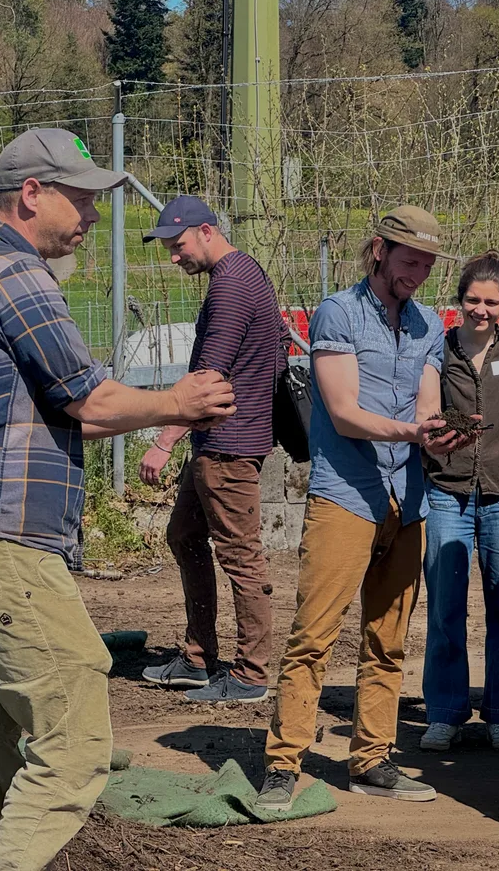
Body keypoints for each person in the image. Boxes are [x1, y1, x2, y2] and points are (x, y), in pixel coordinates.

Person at [0, 128, 236, 871]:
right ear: (32, 194)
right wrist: (179, 402)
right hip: (2, 543)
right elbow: (89, 403)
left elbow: (47, 414)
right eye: (83, 198)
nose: (94, 215)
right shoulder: (15, 276)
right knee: (78, 742)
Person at [255, 206, 472, 812]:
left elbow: (427, 406)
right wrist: (413, 433)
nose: (419, 274)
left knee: (389, 639)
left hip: (410, 499)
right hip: (346, 495)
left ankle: (372, 757)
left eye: (428, 264)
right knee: (314, 636)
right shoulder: (338, 313)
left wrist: (444, 430)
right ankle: (283, 761)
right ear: (379, 250)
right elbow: (344, 411)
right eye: (410, 261)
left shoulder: (431, 325)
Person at [138, 196, 289, 704]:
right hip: (219, 442)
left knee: (241, 558)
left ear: (206, 232)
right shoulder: (246, 273)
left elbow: (207, 380)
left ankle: (250, 673)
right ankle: (199, 657)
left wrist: (163, 440)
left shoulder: (229, 287)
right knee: (183, 535)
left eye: (177, 245)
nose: (173, 257)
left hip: (227, 447)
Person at [419, 252, 499, 753]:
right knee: (446, 609)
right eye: (473, 299)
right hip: (447, 494)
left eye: (492, 302)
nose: (481, 309)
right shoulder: (438, 351)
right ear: (459, 301)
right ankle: (446, 712)